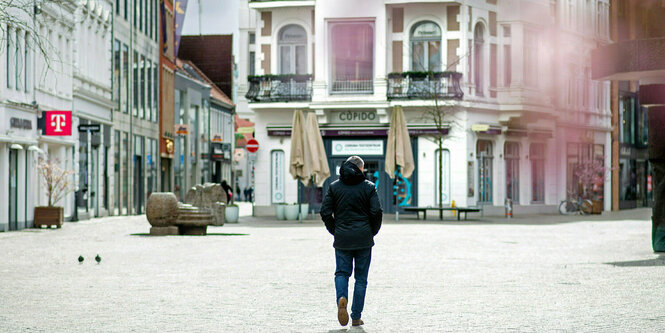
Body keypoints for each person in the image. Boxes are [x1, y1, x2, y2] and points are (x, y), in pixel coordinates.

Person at [320, 155, 383, 327]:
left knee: (341, 273)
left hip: (342, 238)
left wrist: (335, 230)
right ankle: (356, 316)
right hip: (363, 238)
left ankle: (342, 297)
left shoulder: (334, 187)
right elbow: (376, 211)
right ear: (361, 169)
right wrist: (372, 232)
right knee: (361, 279)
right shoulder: (368, 187)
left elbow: (325, 212)